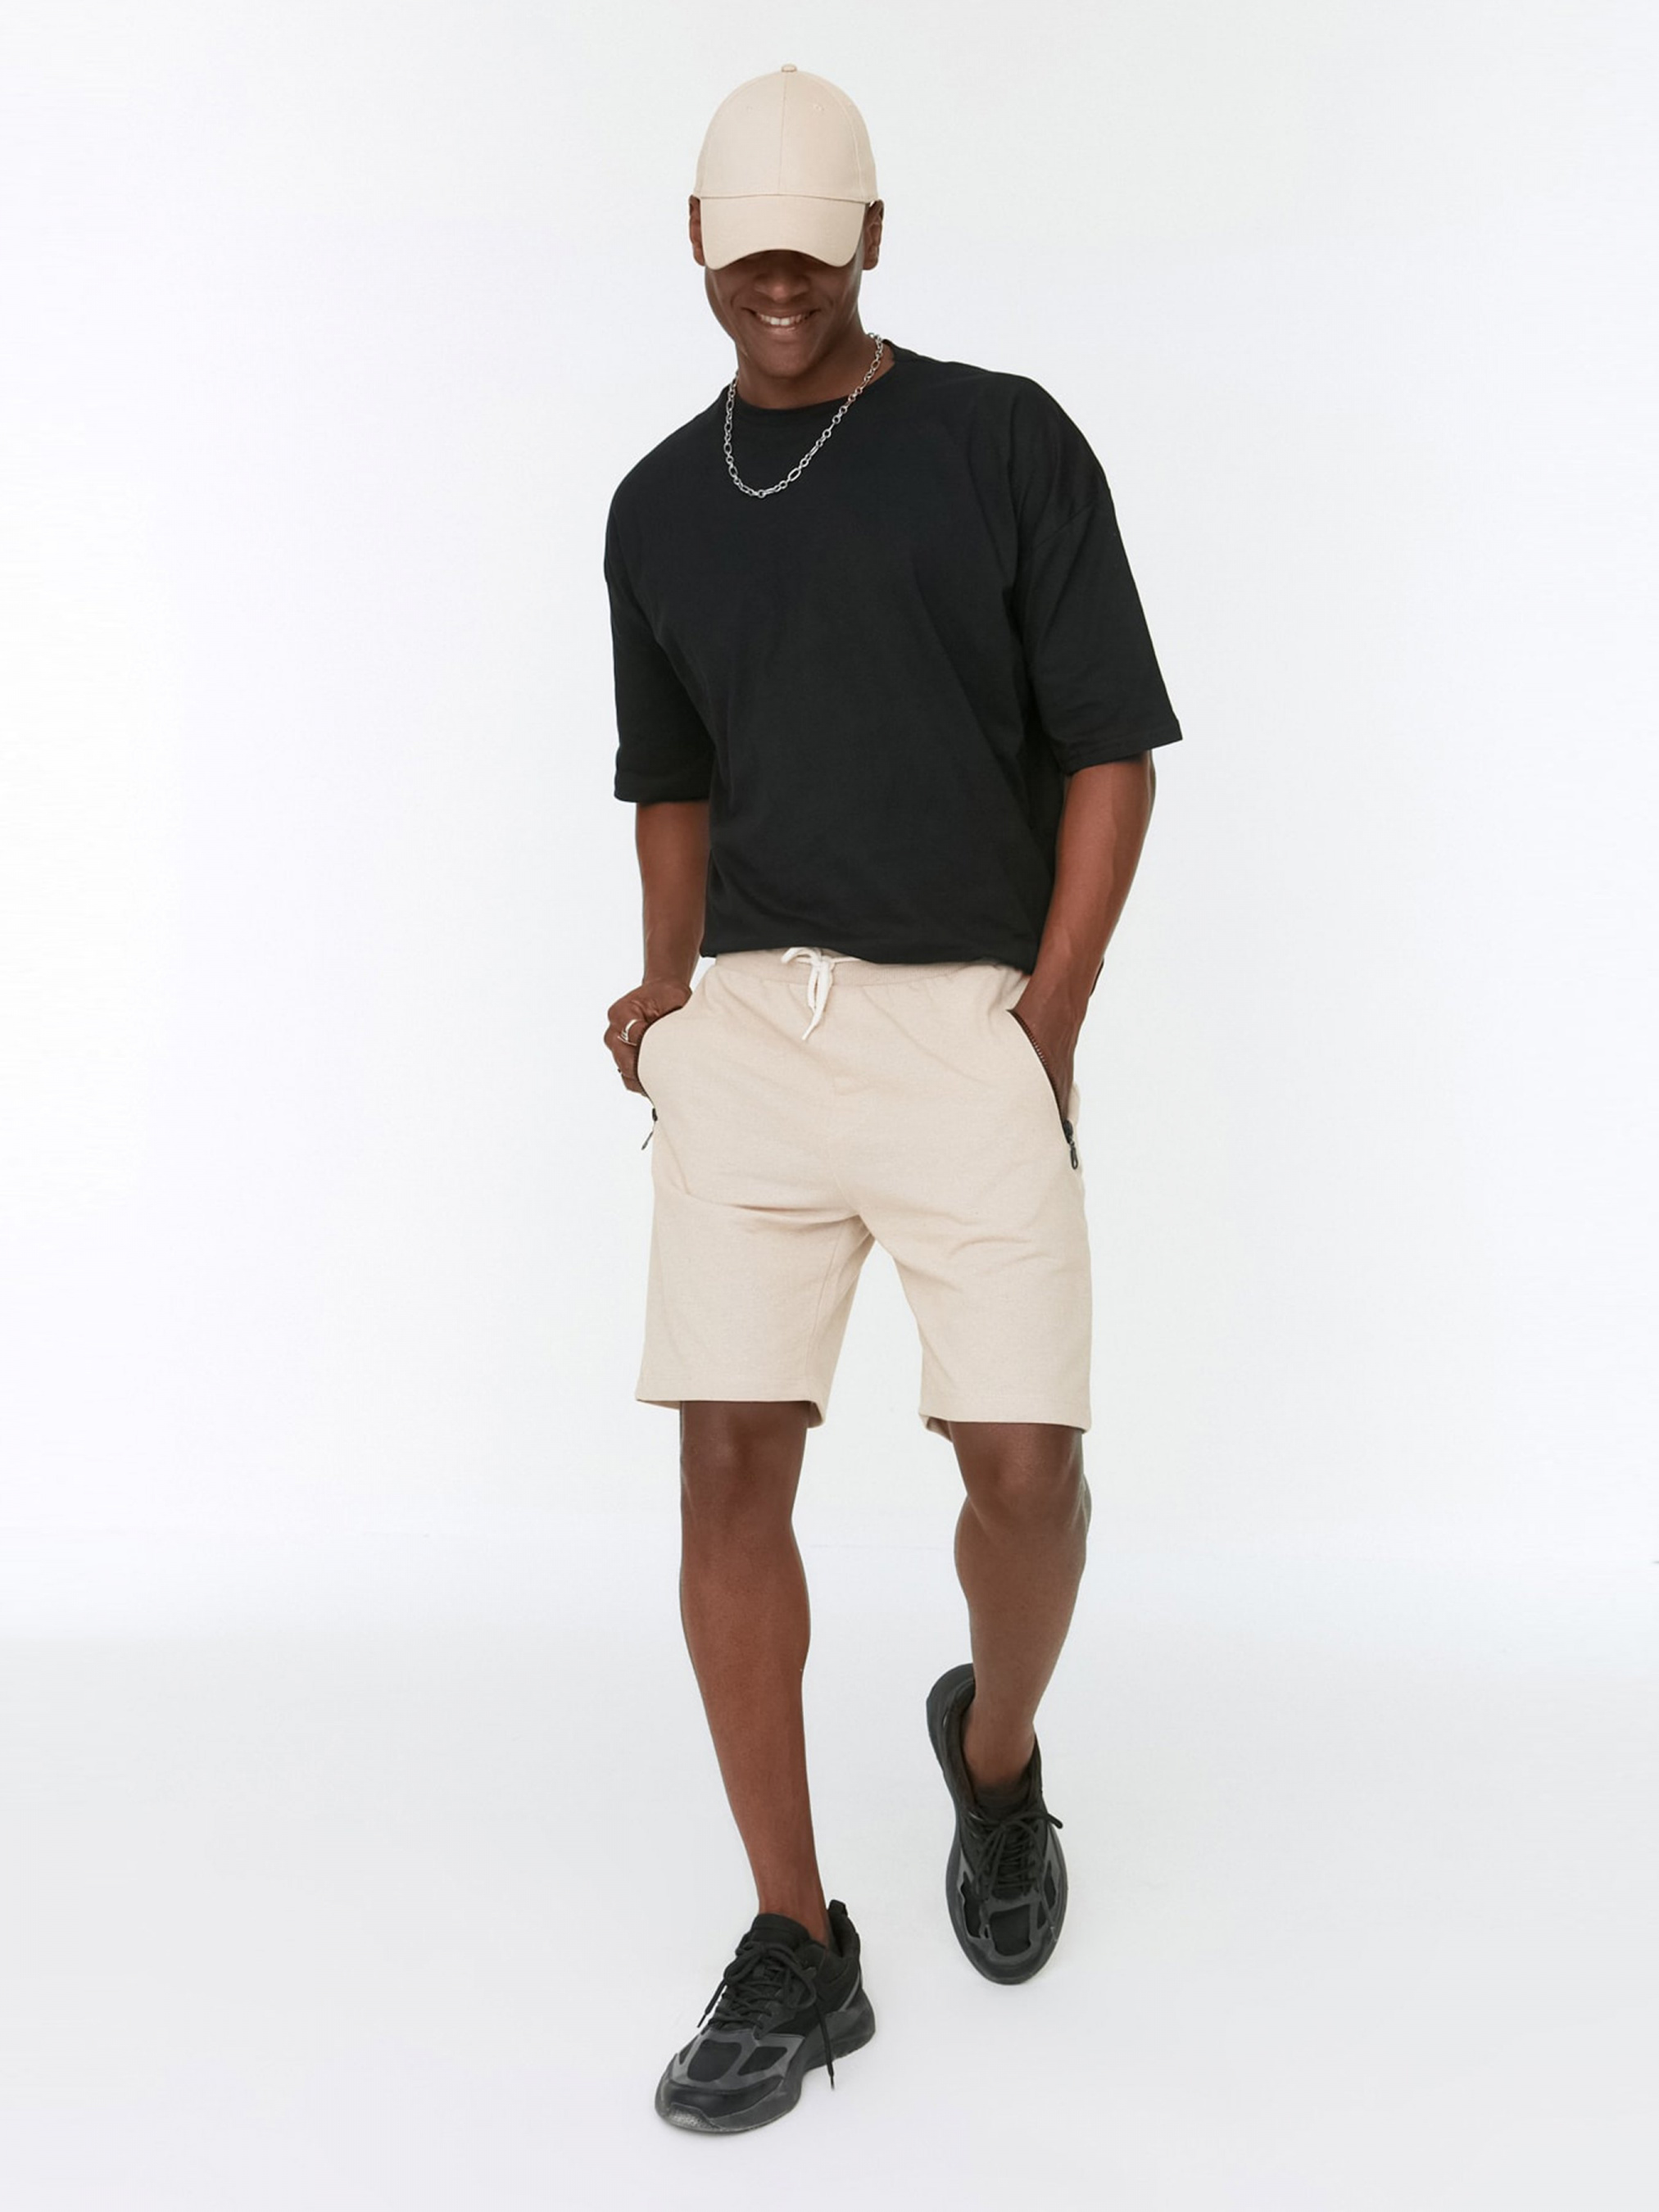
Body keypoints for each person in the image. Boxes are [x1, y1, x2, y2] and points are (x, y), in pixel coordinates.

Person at [601, 64, 1183, 2134]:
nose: (776, 281)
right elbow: (671, 775)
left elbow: (1108, 746)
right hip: (753, 1033)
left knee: (1023, 1472)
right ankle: (798, 1938)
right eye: (742, 246)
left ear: (867, 236)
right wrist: (666, 986)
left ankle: (992, 1759)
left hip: (966, 1026)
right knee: (723, 1473)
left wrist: (1050, 1015)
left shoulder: (998, 441)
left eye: (810, 244)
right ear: (695, 242)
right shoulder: (654, 505)